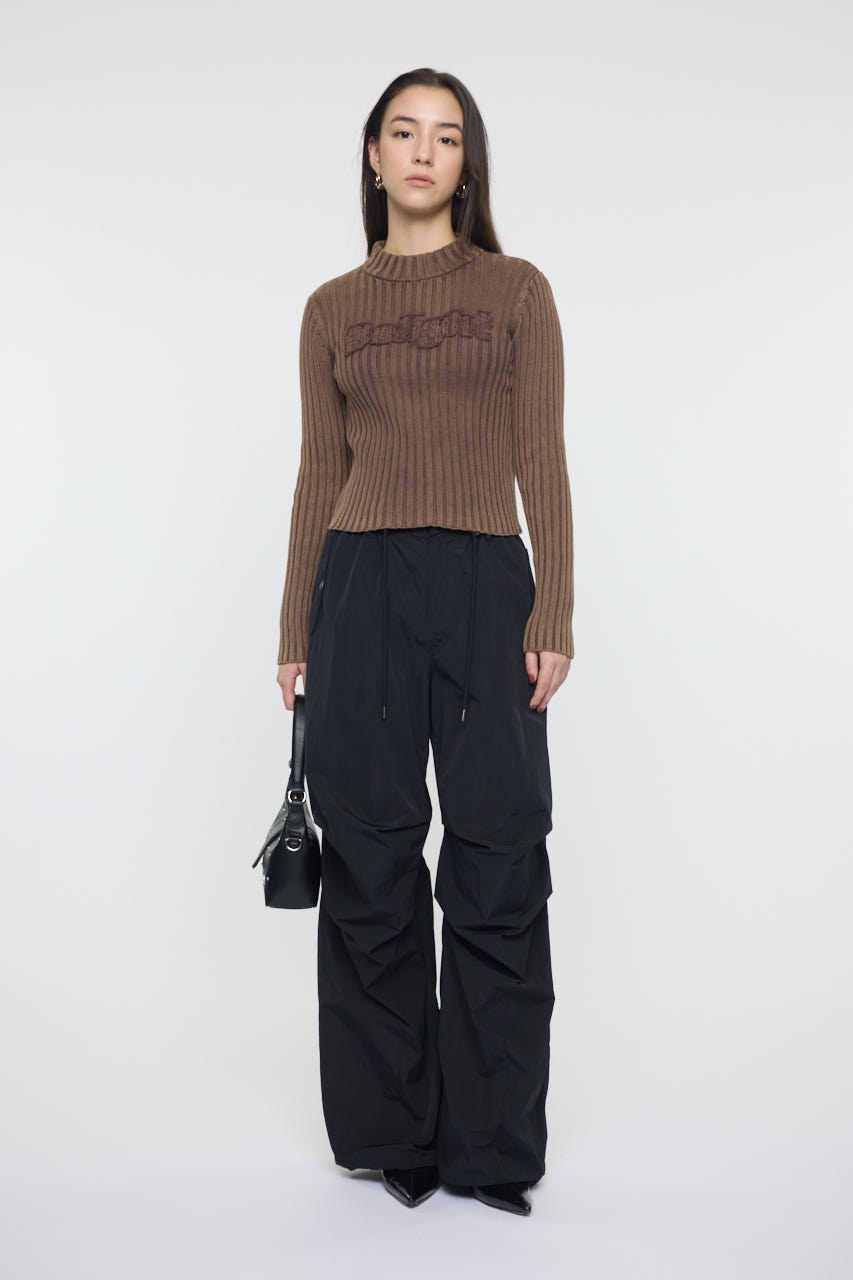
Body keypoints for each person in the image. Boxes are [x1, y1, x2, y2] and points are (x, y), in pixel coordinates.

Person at [275, 68, 574, 1218]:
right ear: (371, 153)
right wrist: (293, 624)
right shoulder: (330, 308)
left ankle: (491, 1142)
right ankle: (391, 1132)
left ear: (466, 162)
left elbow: (540, 452)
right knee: (369, 856)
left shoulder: (516, 291)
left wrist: (554, 608)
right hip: (358, 587)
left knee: (499, 851)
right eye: (402, 132)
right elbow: (319, 469)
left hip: (487, 583)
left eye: (445, 137)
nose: (421, 151)